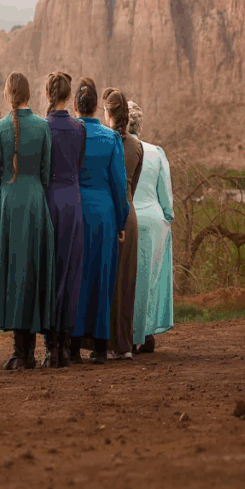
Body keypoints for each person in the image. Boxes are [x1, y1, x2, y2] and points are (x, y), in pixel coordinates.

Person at [0, 71, 55, 369]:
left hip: (10, 203)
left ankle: (19, 352)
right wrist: (33, 189)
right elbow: (46, 172)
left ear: (7, 94)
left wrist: (9, 190)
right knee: (34, 272)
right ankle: (33, 350)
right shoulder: (42, 127)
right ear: (28, 94)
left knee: (13, 272)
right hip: (35, 202)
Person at [70, 78, 128, 365]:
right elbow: (120, 185)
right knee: (102, 277)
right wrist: (121, 221)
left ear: (76, 107)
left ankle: (72, 347)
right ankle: (101, 348)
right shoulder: (111, 138)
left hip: (76, 213)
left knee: (76, 277)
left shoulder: (70, 135)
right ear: (96, 107)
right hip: (104, 215)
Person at [42, 72, 86, 368]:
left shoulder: (42, 128)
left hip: (50, 199)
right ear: (70, 98)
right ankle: (67, 344)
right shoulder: (79, 128)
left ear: (48, 96)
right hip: (73, 200)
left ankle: (50, 347)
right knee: (71, 270)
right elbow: (79, 164)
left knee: (50, 271)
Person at [128, 101, 174, 353]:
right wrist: (167, 219)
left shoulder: (120, 149)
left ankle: (126, 332)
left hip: (127, 218)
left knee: (126, 279)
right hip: (154, 222)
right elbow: (166, 199)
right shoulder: (156, 152)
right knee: (148, 280)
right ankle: (144, 333)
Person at [102, 87, 144, 360]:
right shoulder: (136, 147)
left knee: (106, 282)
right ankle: (124, 345)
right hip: (129, 215)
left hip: (107, 214)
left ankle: (102, 344)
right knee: (126, 282)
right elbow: (134, 186)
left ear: (108, 114)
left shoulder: (105, 141)